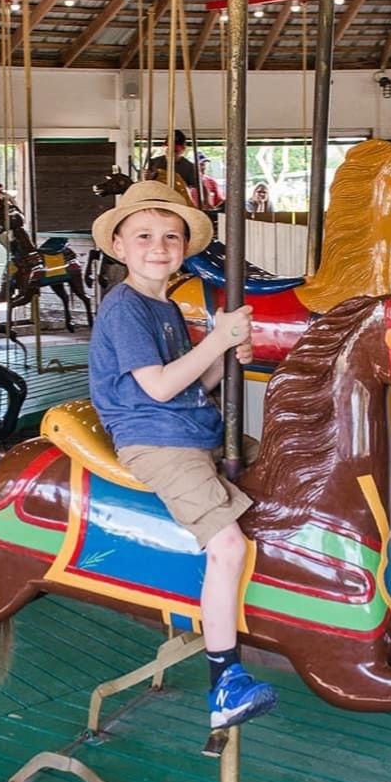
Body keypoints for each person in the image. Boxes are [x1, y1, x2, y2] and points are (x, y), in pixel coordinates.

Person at [88, 180, 277, 730]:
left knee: (285, 465)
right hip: (158, 439)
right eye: (144, 235)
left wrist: (225, 356)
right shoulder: (124, 307)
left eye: (171, 236)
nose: (159, 246)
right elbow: (160, 388)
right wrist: (216, 342)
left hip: (195, 427)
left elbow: (195, 379)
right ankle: (225, 682)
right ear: (119, 246)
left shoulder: (164, 304)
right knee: (226, 544)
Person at [145, 129, 199, 199]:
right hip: (157, 199)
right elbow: (143, 183)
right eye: (168, 150)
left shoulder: (189, 167)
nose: (171, 154)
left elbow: (198, 186)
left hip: (179, 200)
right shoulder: (153, 163)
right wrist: (146, 177)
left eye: (175, 151)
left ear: (183, 149)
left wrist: (206, 201)